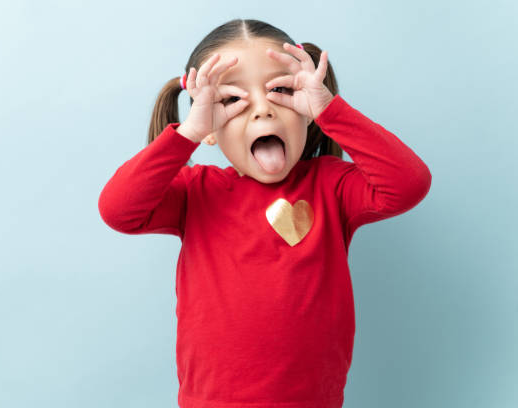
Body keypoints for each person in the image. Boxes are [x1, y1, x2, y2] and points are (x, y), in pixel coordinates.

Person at [98, 18, 432, 408]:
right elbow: (117, 210)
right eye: (232, 100)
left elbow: (409, 183)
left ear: (306, 112)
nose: (262, 111)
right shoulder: (195, 191)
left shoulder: (333, 186)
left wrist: (330, 111)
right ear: (209, 127)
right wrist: (187, 132)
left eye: (280, 90)